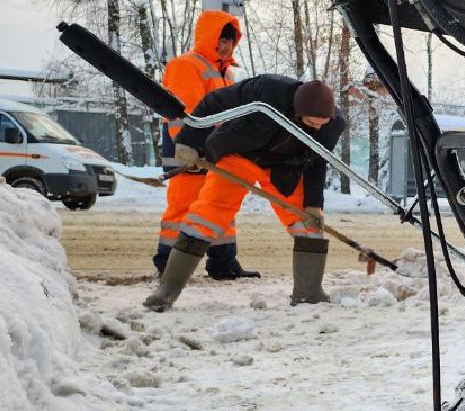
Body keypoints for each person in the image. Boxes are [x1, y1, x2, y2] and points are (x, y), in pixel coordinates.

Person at [144, 77, 345, 312]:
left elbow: (317, 162)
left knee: (309, 223)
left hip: (282, 167)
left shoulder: (333, 125)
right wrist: (189, 141)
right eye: (310, 122)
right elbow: (213, 102)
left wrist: (312, 204)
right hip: (239, 154)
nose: (316, 128)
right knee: (206, 217)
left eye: (321, 124)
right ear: (297, 111)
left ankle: (308, 294)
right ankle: (167, 290)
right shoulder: (267, 90)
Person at [154, 10, 259, 280]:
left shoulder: (226, 75)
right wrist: (191, 149)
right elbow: (186, 114)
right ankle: (168, 264)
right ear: (208, 36)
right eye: (222, 39)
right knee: (183, 209)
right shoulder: (186, 65)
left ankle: (223, 264)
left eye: (230, 41)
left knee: (221, 207)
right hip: (188, 151)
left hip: (216, 151)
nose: (225, 45)